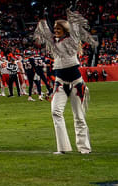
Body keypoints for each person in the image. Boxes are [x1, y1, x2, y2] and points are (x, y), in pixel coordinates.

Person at [33, 11, 97, 154]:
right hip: (60, 83)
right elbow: (45, 32)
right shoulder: (53, 42)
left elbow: (74, 28)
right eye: (55, 29)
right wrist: (43, 16)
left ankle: (84, 148)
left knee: (79, 116)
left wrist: (72, 12)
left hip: (76, 83)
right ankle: (63, 148)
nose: (55, 31)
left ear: (65, 30)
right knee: (56, 112)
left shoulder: (72, 41)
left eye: (58, 29)